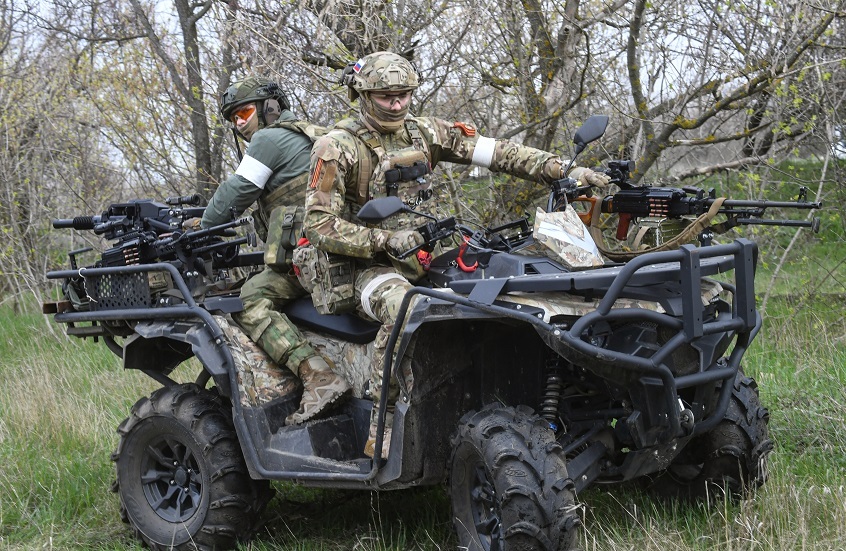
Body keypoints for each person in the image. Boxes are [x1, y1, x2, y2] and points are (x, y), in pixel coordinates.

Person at [302, 51, 610, 457]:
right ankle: (383, 419)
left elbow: (499, 152)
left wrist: (562, 171)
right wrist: (380, 242)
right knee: (405, 307)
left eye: (404, 95)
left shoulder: (426, 133)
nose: (397, 104)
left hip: (423, 256)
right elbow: (318, 224)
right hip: (365, 268)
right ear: (363, 94)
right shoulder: (335, 147)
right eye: (386, 97)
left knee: (505, 290)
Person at [201, 77, 350, 424]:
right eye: (233, 117)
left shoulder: (268, 140)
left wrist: (197, 227)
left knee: (249, 296)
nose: (239, 122)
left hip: (313, 260)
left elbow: (233, 197)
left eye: (245, 112)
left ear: (270, 108)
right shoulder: (310, 134)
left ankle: (318, 376)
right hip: (339, 250)